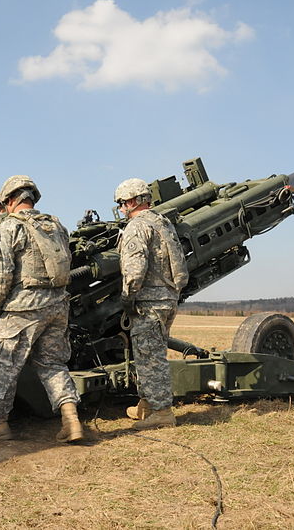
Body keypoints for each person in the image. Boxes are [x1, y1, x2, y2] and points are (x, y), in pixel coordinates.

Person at [0, 175, 83, 443]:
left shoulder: (9, 228)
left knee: (6, 363)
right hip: (57, 305)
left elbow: (1, 276)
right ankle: (71, 420)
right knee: (53, 364)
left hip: (23, 307)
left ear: (10, 200)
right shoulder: (56, 225)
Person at [115, 178, 188, 430]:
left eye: (123, 203)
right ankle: (147, 404)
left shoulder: (137, 226)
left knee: (150, 358)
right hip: (168, 298)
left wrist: (126, 299)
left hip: (149, 302)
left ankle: (162, 412)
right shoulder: (162, 223)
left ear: (134, 201)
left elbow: (134, 271)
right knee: (149, 353)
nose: (122, 208)